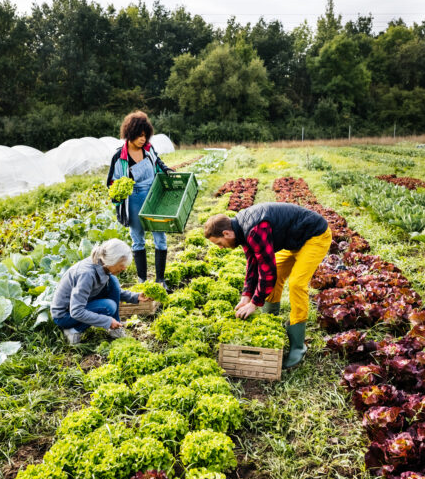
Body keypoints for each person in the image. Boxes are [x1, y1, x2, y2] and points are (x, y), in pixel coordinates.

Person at [204, 202, 332, 368]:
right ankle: (271, 319)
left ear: (226, 233)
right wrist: (246, 296)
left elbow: (267, 271)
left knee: (296, 284)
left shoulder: (254, 229)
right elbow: (253, 263)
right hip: (294, 240)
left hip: (314, 236)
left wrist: (255, 303)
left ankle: (298, 345)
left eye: (219, 243)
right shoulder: (240, 229)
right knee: (277, 274)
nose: (221, 248)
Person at [106, 110, 174, 290]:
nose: (143, 139)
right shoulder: (119, 157)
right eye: (139, 135)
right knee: (138, 239)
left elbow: (158, 161)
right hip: (134, 198)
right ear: (130, 134)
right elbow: (111, 183)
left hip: (153, 195)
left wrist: (166, 169)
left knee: (160, 237)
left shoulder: (149, 150)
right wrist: (118, 192)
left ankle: (160, 280)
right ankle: (142, 281)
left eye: (145, 135)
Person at [50, 239, 151, 344]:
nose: (124, 268)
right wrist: (107, 321)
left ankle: (115, 328)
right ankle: (73, 331)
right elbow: (76, 311)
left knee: (113, 282)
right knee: (108, 307)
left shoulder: (103, 265)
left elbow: (114, 291)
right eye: (121, 264)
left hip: (79, 304)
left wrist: (136, 296)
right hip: (64, 315)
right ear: (112, 260)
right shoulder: (87, 274)